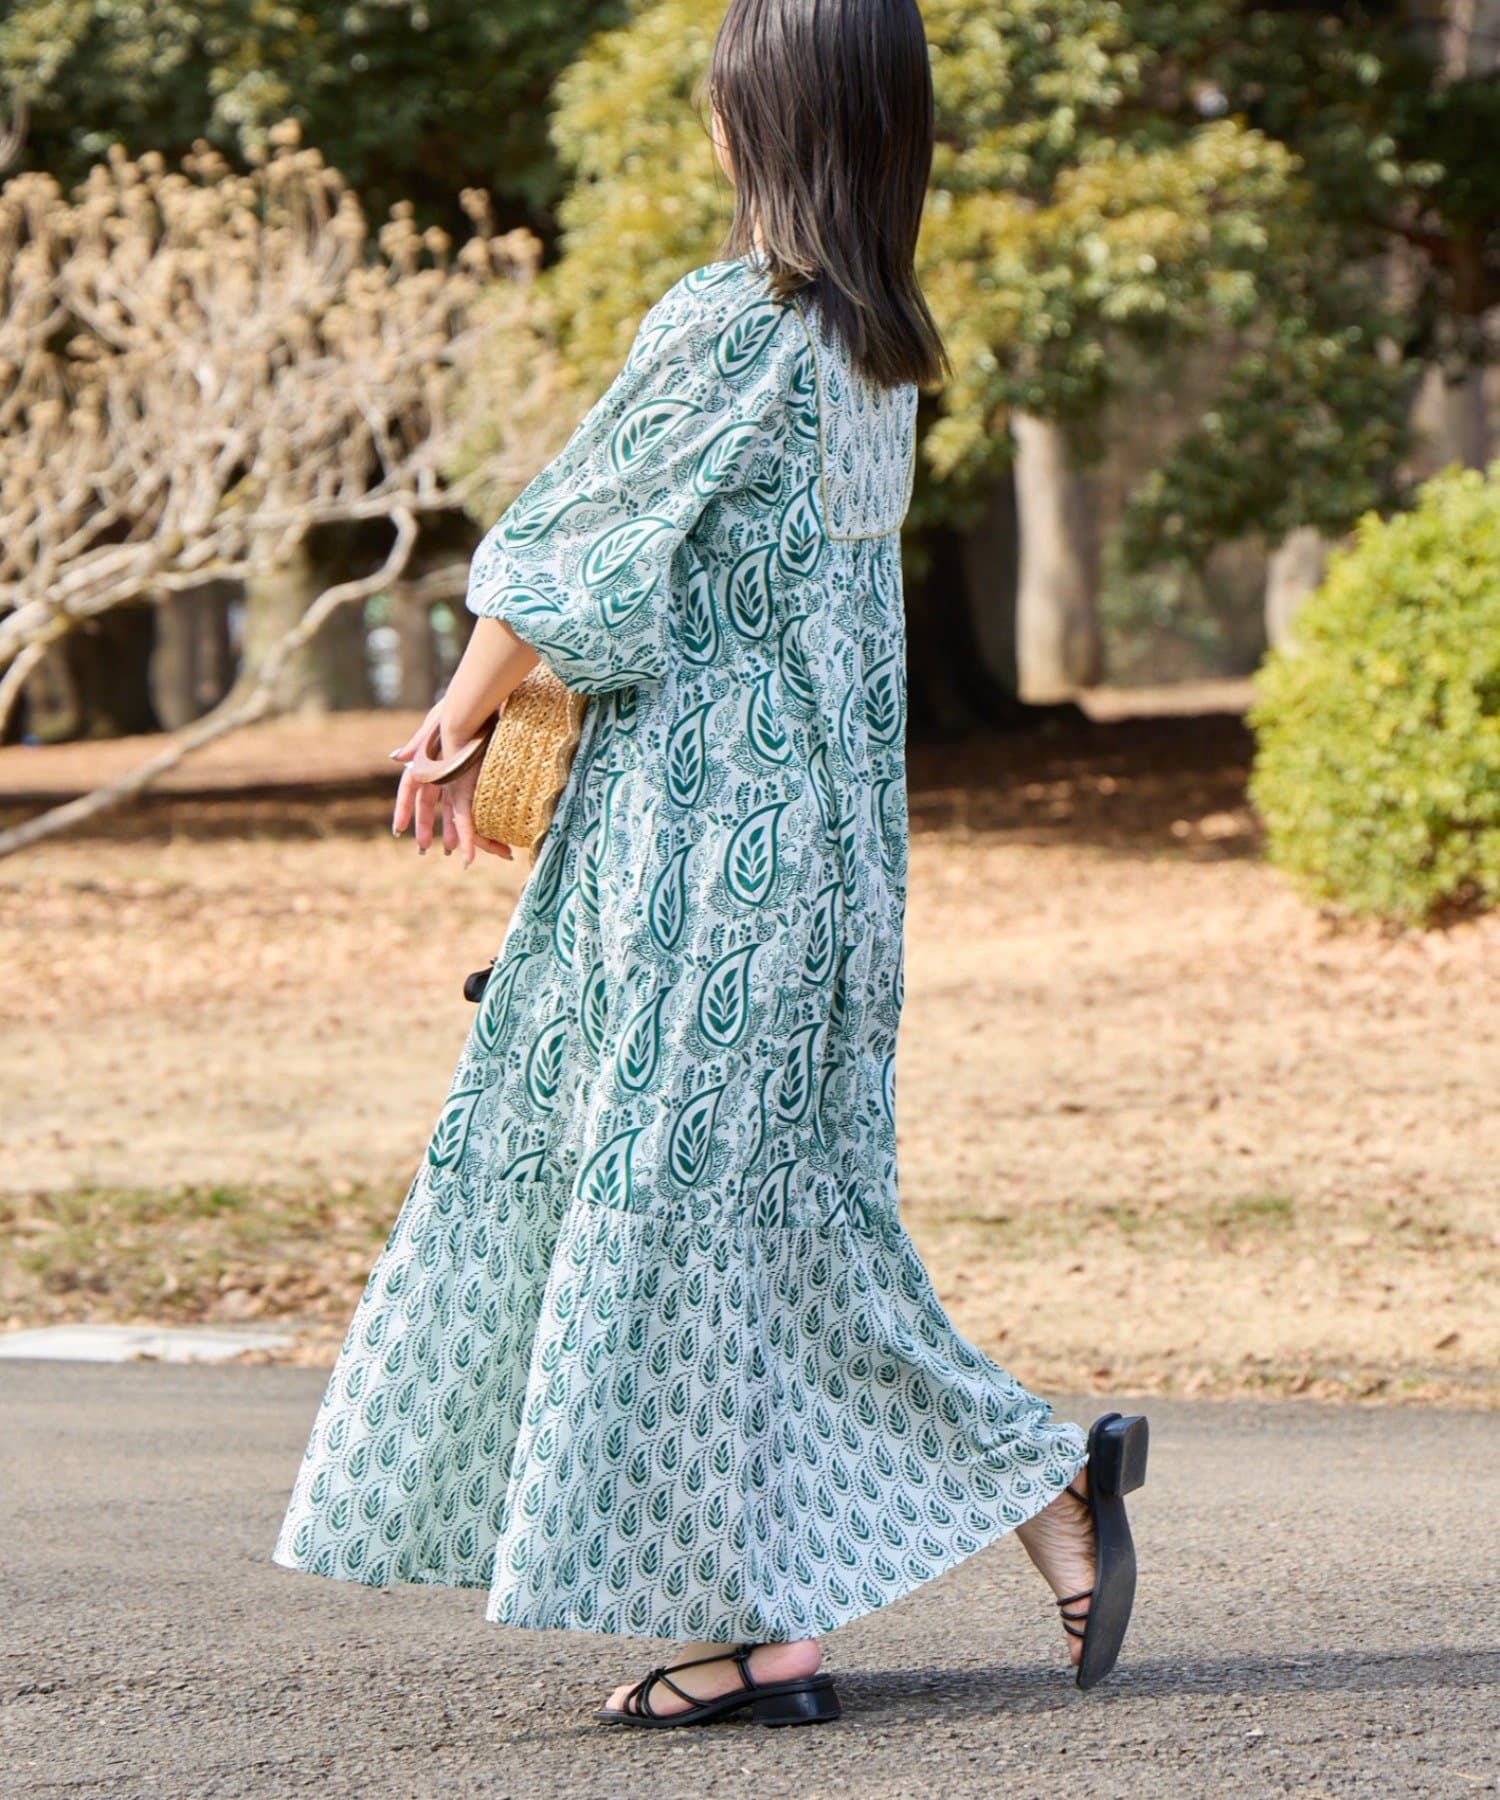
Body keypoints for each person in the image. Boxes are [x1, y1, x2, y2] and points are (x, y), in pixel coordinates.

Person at [273, 0, 1147, 1729]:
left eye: (730, 94)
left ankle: (768, 1620)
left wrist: (451, 722)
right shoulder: (876, 356)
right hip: (824, 876)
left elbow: (566, 550)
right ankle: (1004, 1503)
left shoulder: (732, 322)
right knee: (779, 1232)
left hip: (697, 863)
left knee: (675, 1222)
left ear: (770, 122)